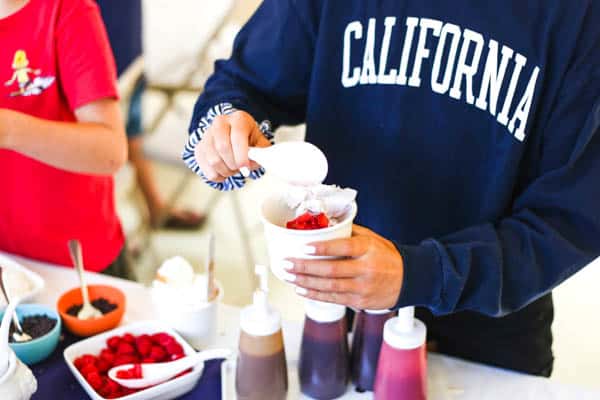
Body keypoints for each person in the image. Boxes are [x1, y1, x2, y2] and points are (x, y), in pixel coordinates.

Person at [184, 1, 600, 377]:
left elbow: (571, 220)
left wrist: (419, 273)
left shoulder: (579, 17)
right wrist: (225, 130)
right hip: (346, 309)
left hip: (491, 323)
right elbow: (244, 84)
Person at [0, 0, 128, 274]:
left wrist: (8, 129)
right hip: (8, 268)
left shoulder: (67, 10)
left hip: (77, 269)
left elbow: (110, 152)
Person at [96, 0, 206, 230]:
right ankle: (144, 209)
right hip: (104, 43)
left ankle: (151, 207)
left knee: (129, 127)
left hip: (123, 49)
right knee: (109, 129)